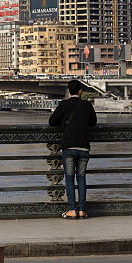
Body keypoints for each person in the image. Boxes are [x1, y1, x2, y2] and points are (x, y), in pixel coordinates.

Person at [48, 79, 97, 219]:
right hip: (83, 146)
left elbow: (52, 122)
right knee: (81, 178)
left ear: (69, 91)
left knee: (69, 178)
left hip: (69, 145)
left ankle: (72, 210)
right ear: (80, 91)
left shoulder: (63, 104)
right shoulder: (87, 105)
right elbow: (93, 122)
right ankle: (82, 210)